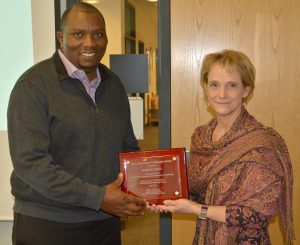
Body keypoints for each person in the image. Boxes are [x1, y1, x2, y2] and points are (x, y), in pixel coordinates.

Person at [7, 3, 145, 245]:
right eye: (78, 34)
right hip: (48, 224)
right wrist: (97, 197)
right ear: (61, 38)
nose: (90, 43)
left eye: (98, 34)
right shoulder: (32, 85)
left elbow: (128, 148)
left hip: (105, 222)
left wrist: (143, 184)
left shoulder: (114, 85)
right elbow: (31, 163)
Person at [148, 50, 294, 244]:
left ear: (246, 90)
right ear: (206, 88)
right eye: (214, 85)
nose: (222, 94)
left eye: (232, 86)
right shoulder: (201, 137)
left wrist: (195, 209)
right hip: (205, 237)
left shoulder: (261, 145)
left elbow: (258, 215)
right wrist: (164, 197)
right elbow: (199, 191)